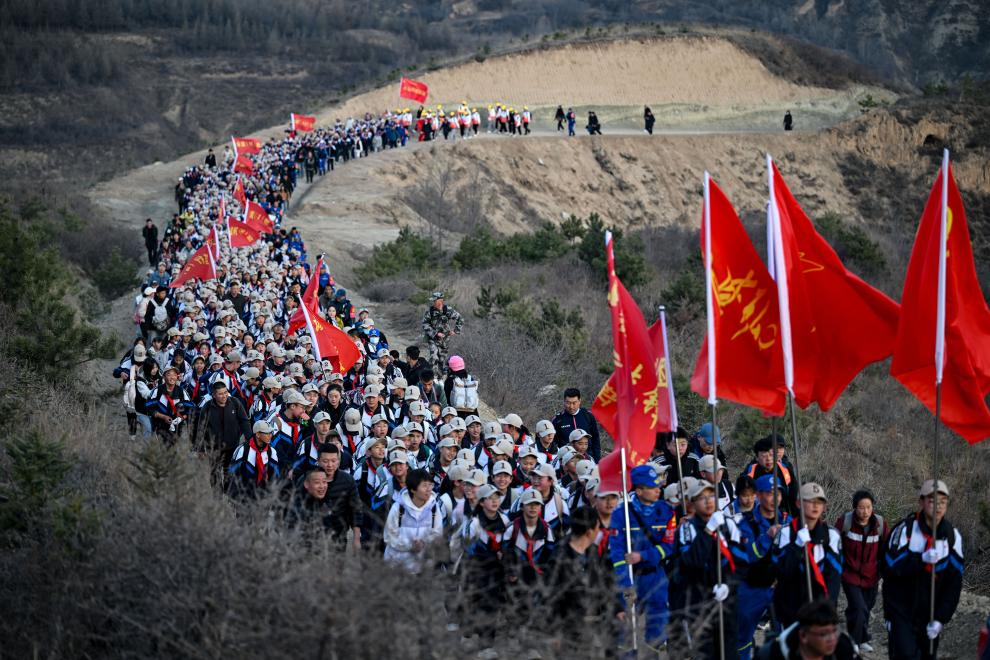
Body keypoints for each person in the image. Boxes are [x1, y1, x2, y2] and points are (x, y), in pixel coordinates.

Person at [883, 479, 964, 659]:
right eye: (932, 501)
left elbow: (954, 583)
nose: (938, 506)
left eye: (943, 502)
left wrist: (941, 618)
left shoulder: (953, 537)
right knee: (905, 655)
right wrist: (920, 560)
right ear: (921, 502)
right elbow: (890, 567)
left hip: (930, 614)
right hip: (901, 610)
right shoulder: (905, 530)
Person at [670, 479, 747, 659]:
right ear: (692, 503)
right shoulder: (686, 530)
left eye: (711, 496)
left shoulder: (729, 525)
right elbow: (691, 561)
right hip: (699, 603)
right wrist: (708, 531)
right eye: (702, 498)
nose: (708, 501)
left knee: (729, 652)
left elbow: (741, 562)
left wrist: (728, 584)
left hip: (727, 602)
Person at [609, 464, 677, 651]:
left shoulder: (666, 512)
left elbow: (669, 546)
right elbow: (616, 552)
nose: (658, 490)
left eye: (658, 486)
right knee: (625, 631)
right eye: (652, 487)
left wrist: (643, 556)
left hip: (655, 577)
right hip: (629, 577)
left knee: (657, 630)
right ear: (638, 491)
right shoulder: (620, 514)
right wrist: (625, 583)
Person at [544, 506, 615, 652]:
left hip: (588, 624)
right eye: (597, 528)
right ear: (589, 532)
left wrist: (617, 609)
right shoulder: (560, 558)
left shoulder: (592, 553)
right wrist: (554, 631)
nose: (599, 531)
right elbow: (551, 597)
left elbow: (602, 583)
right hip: (566, 628)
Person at [772, 482, 842, 628]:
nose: (815, 506)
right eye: (810, 501)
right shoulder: (785, 533)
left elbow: (834, 576)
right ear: (798, 503)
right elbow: (781, 572)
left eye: (819, 502)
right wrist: (797, 546)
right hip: (790, 608)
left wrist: (828, 606)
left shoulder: (831, 535)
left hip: (820, 608)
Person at [737, 475, 790, 660]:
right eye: (769, 493)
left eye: (778, 494)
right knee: (742, 636)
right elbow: (748, 556)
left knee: (784, 637)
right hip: (752, 588)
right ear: (758, 495)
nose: (774, 498)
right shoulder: (745, 523)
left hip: (780, 588)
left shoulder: (789, 521)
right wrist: (767, 537)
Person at [833, 489, 889, 652]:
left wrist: (882, 571)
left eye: (868, 507)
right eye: (861, 508)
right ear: (855, 508)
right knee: (859, 608)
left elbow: (886, 549)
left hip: (872, 576)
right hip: (850, 575)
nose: (865, 512)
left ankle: (861, 637)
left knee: (865, 607)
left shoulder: (879, 524)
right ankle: (855, 642)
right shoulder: (846, 522)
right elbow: (834, 544)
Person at [754, 598, 858, 660]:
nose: (832, 639)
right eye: (823, 634)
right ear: (803, 635)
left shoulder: (844, 649)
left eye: (834, 631)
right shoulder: (773, 655)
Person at [383, 468, 442, 572]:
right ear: (413, 489)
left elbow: (437, 533)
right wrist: (410, 546)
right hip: (397, 567)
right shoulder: (398, 508)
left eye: (430, 485)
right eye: (424, 485)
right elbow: (388, 536)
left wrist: (424, 543)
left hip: (422, 568)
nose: (429, 489)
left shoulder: (434, 507)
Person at [315, 444, 363, 551]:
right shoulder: (308, 479)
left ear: (338, 461)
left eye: (333, 461)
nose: (330, 465)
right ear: (318, 461)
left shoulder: (347, 480)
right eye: (325, 461)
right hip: (313, 537)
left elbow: (355, 510)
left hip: (338, 537)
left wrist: (356, 538)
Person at [228, 420, 280, 499]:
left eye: (271, 433)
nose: (270, 435)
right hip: (243, 496)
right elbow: (232, 473)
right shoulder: (242, 450)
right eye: (267, 433)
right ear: (258, 434)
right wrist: (234, 496)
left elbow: (275, 475)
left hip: (263, 497)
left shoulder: (272, 452)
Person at [551, 388, 602, 461]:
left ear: (579, 401)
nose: (571, 406)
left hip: (587, 459)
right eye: (568, 403)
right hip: (567, 461)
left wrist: (597, 459)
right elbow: (553, 443)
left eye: (574, 403)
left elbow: (596, 439)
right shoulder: (558, 420)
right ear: (564, 401)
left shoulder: (588, 416)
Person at [421, 291, 463, 374]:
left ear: (440, 301)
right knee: (434, 357)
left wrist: (455, 331)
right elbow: (425, 324)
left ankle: (439, 378)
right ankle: (429, 376)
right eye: (433, 301)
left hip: (445, 340)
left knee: (441, 360)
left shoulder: (448, 310)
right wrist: (435, 333)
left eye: (435, 300)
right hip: (433, 338)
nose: (433, 302)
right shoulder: (430, 311)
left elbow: (460, 319)